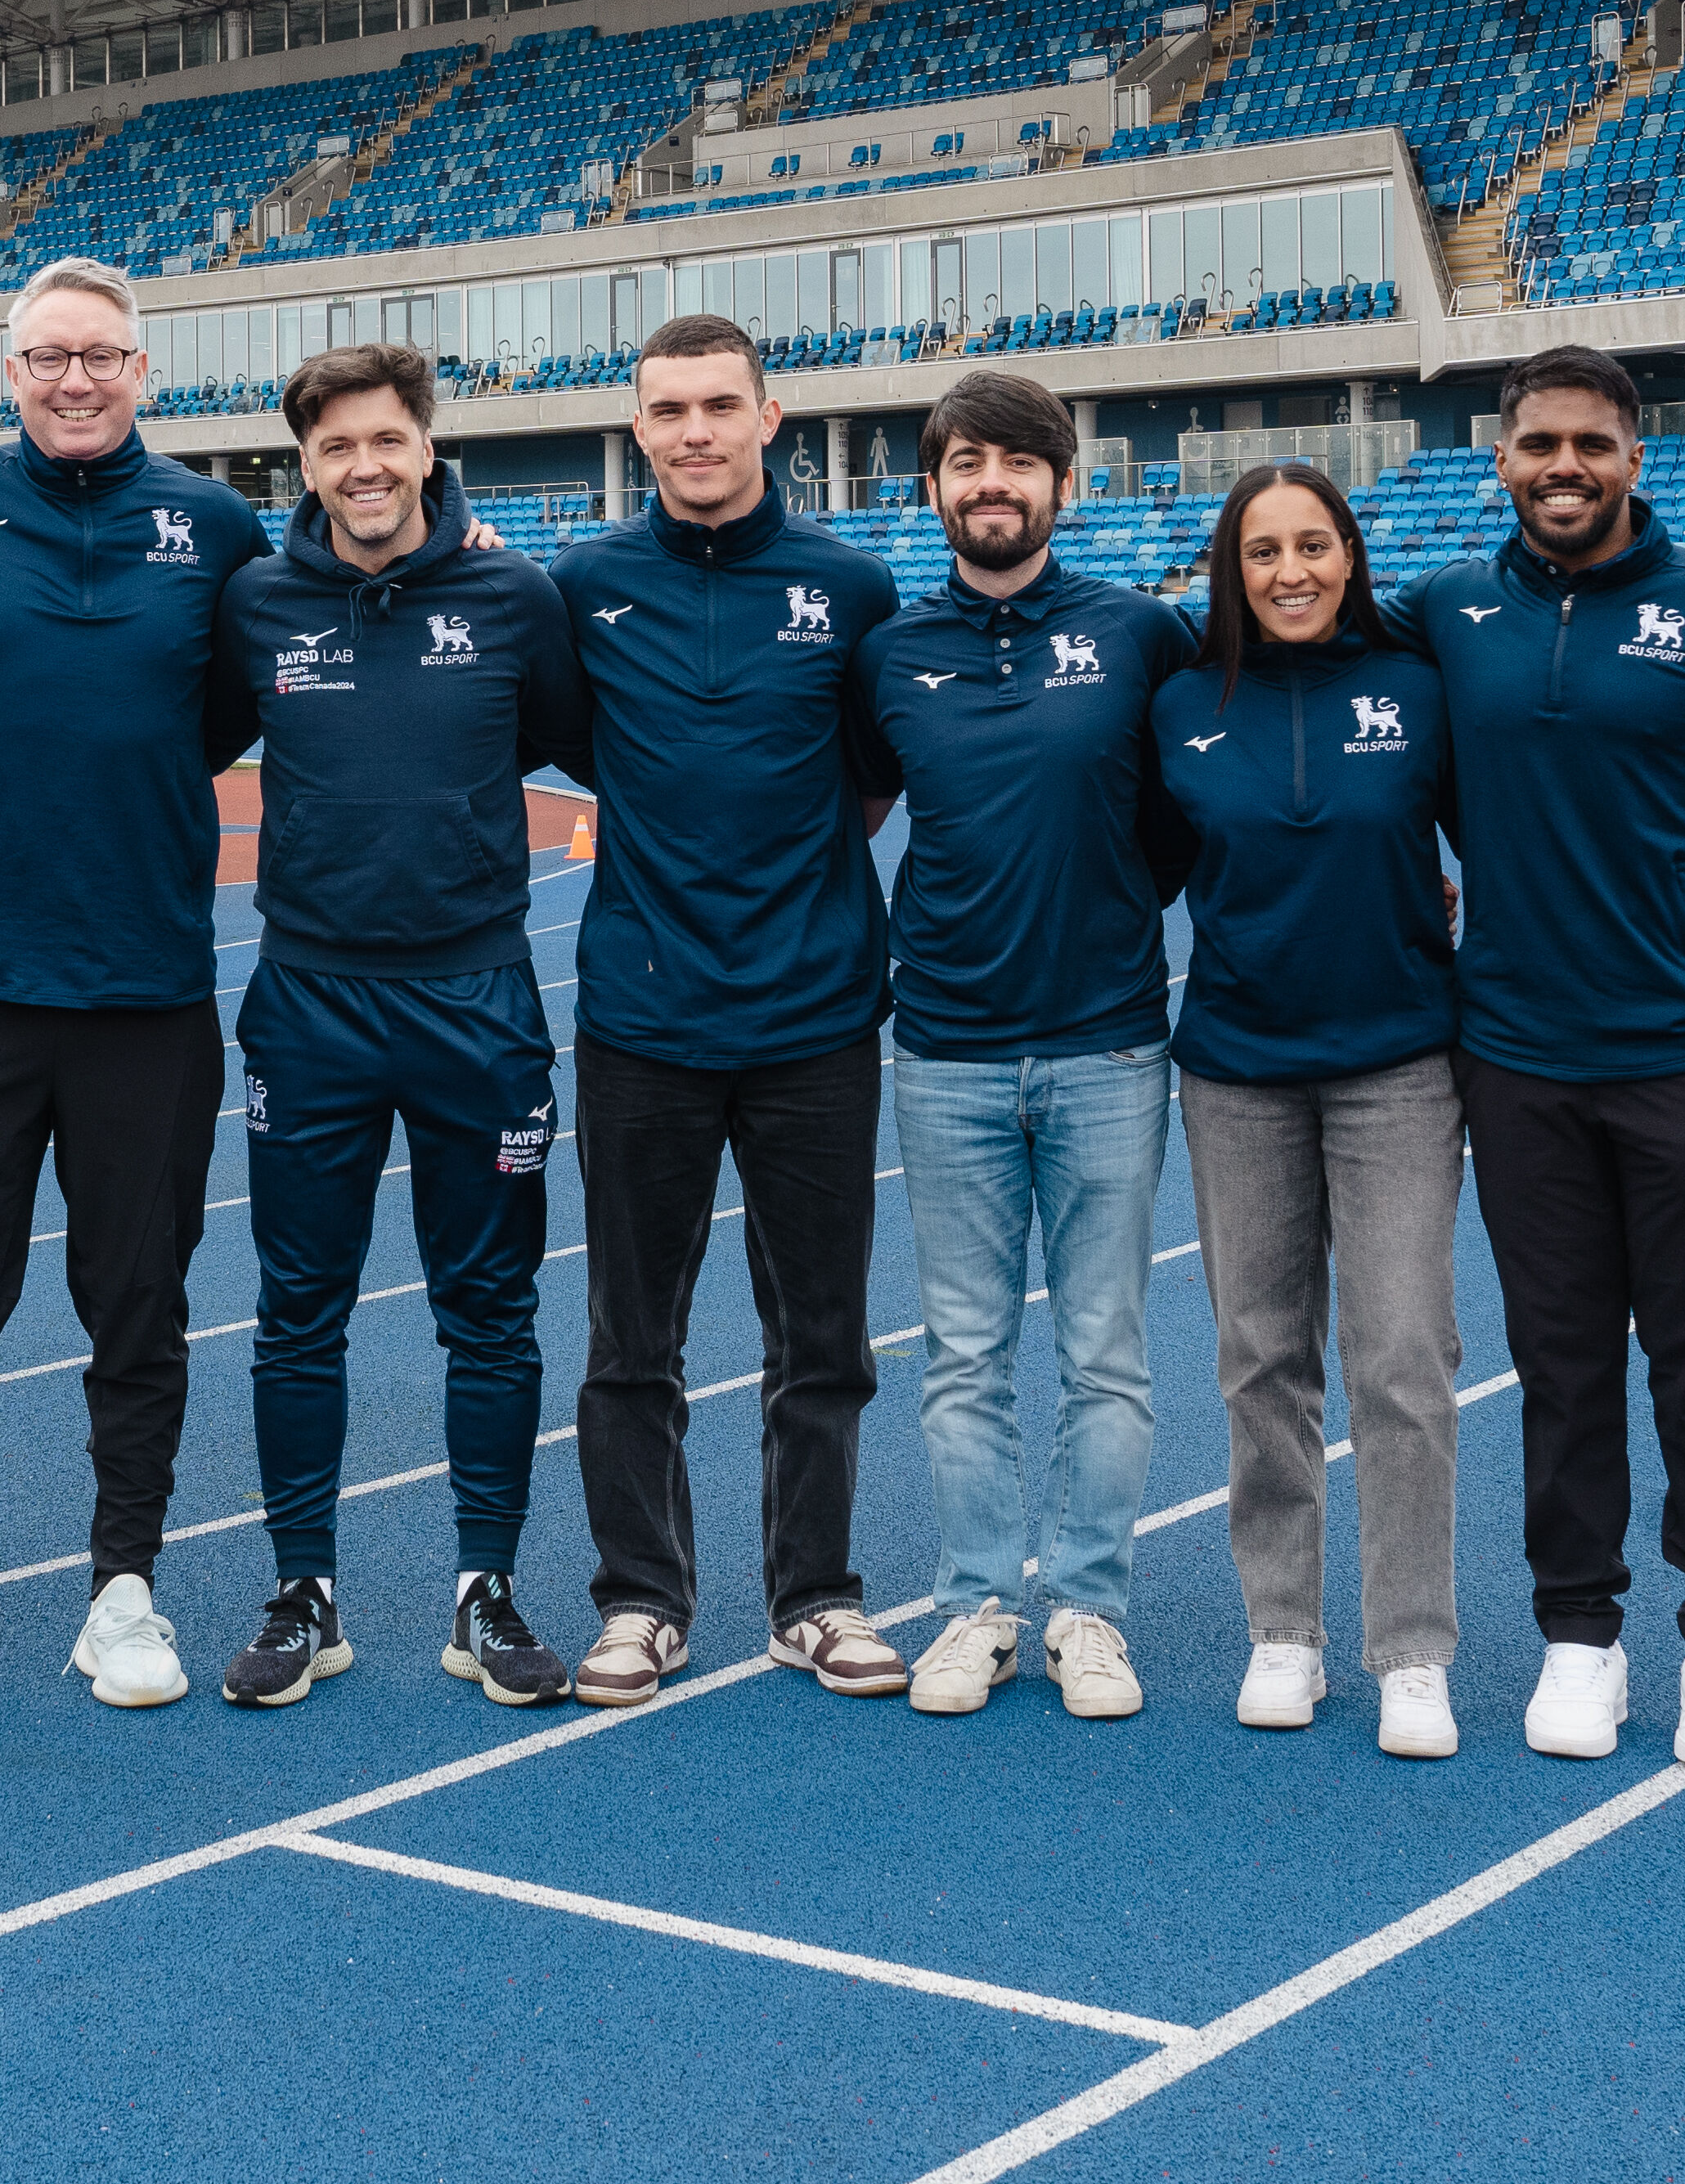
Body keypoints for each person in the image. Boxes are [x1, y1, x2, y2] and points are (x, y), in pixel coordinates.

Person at [1393, 343, 1685, 1776]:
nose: (1565, 468)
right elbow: (1348, 737)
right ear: (1501, 460)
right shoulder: (1444, 614)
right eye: (1540, 445)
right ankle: (1578, 1634)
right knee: (1561, 1366)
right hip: (1517, 1060)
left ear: (1635, 459)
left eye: (1592, 444)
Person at [0, 256, 275, 1720]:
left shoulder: (215, 523)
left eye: (100, 356)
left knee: (138, 1300)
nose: (75, 379)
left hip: (144, 979)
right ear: (10, 373)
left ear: (142, 370)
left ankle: (123, 1590)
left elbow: (223, 713)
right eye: (48, 358)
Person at [206, 346, 591, 1709]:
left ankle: (486, 1590)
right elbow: (182, 740)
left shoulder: (514, 595)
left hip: (475, 998)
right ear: (304, 465)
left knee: (489, 1310)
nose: (364, 467)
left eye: (386, 440)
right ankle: (302, 1592)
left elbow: (575, 744)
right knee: (296, 1310)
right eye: (335, 448)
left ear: (427, 446)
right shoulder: (255, 602)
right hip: (308, 1001)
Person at [546, 314, 910, 1707]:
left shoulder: (851, 587)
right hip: (643, 1018)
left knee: (821, 1335)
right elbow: (592, 752)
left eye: (717, 405)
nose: (693, 431)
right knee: (631, 1338)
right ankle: (641, 1600)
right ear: (638, 428)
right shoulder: (586, 586)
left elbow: (865, 785)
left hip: (815, 1017)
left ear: (770, 416)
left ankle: (814, 1597)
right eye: (667, 410)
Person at [847, 369, 1197, 1723]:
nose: (992, 484)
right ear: (931, 487)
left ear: (1065, 482)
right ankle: (979, 1606)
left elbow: (1195, 805)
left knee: (1106, 1351)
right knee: (963, 1354)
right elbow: (847, 814)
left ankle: (1091, 1611)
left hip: (1110, 1047)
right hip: (946, 1050)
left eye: (1018, 462)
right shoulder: (889, 653)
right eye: (966, 462)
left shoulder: (1140, 633)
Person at [1141, 463, 1466, 1761]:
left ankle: (1412, 1648)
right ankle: (1285, 1629)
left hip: (1399, 1069)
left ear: (1351, 557)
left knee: (1403, 1359)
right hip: (1236, 1072)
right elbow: (1137, 864)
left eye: (1314, 545)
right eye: (1264, 550)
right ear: (1232, 569)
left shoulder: (1418, 691)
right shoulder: (1180, 706)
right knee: (1261, 1357)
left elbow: (1523, 834)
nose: (1291, 572)